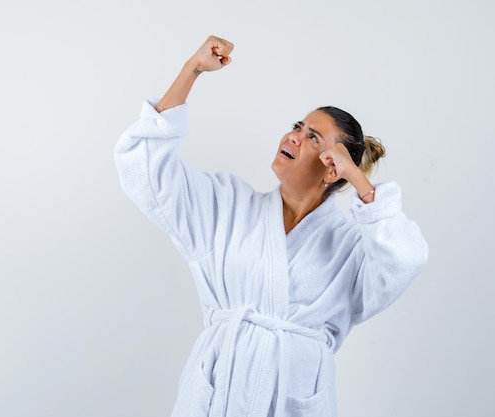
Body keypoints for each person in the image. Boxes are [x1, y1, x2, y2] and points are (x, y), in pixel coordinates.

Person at [114, 35, 428, 417]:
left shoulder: (350, 249)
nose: (294, 135)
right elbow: (145, 169)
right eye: (298, 125)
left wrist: (360, 183)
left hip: (293, 399)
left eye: (312, 137)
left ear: (334, 166)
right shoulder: (228, 206)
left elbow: (406, 260)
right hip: (217, 395)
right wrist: (191, 70)